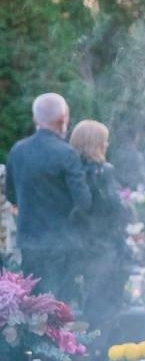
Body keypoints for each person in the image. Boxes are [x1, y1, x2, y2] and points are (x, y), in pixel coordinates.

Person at [4, 93, 91, 303]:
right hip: (62, 244)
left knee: (34, 307)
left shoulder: (18, 151)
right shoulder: (66, 154)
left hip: (29, 241)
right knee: (59, 308)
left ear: (36, 119)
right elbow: (83, 201)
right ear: (63, 119)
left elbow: (11, 194)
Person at [67, 120, 130, 332]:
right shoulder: (103, 171)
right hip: (104, 245)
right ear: (96, 144)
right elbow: (113, 207)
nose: (107, 145)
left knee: (82, 300)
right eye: (104, 141)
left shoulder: (70, 171)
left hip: (76, 243)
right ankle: (100, 346)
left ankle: (83, 343)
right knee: (105, 303)